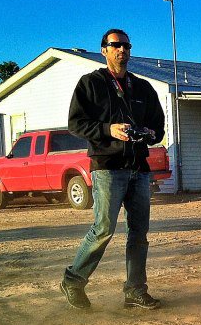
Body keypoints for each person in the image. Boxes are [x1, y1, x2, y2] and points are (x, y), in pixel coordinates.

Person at [60, 29, 166, 310]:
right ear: (104, 50)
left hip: (139, 169)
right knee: (104, 228)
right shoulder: (91, 84)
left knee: (139, 232)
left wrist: (147, 133)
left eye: (126, 46)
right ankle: (73, 280)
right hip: (107, 167)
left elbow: (159, 128)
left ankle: (135, 289)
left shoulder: (143, 88)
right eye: (115, 45)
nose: (122, 50)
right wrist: (109, 130)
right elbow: (76, 124)